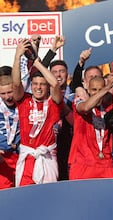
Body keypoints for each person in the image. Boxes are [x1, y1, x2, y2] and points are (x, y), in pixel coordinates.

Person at [12, 39, 63, 186]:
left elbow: (54, 83)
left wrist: (36, 63)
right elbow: (16, 83)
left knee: (48, 201)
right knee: (24, 201)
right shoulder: (24, 100)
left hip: (46, 159)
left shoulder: (54, 103)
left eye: (42, 84)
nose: (38, 87)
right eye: (35, 84)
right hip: (27, 158)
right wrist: (17, 57)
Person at [68, 75, 113, 179]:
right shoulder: (79, 101)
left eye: (100, 89)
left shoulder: (109, 107)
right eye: (94, 90)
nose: (98, 92)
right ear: (88, 90)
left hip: (105, 163)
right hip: (83, 164)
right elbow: (85, 107)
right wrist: (106, 88)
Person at [49, 59, 74, 180]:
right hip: (50, 146)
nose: (58, 75)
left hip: (71, 144)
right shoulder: (44, 94)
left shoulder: (76, 93)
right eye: (54, 72)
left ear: (67, 74)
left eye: (62, 71)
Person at [0, 67, 20, 189]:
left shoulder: (24, 102)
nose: (7, 97)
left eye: (10, 92)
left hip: (22, 156)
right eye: (3, 93)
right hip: (2, 158)